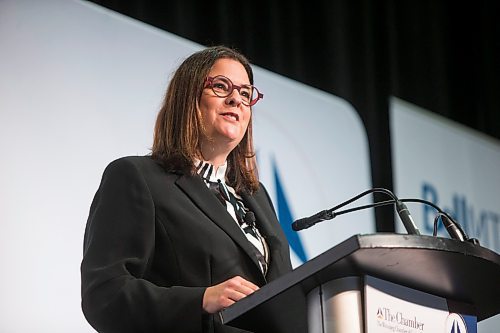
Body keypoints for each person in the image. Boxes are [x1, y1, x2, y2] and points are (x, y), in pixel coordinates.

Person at [80, 46, 306, 333]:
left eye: (246, 94)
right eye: (222, 86)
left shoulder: (257, 196)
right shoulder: (137, 177)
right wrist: (201, 299)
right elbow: (104, 296)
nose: (236, 99)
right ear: (188, 98)